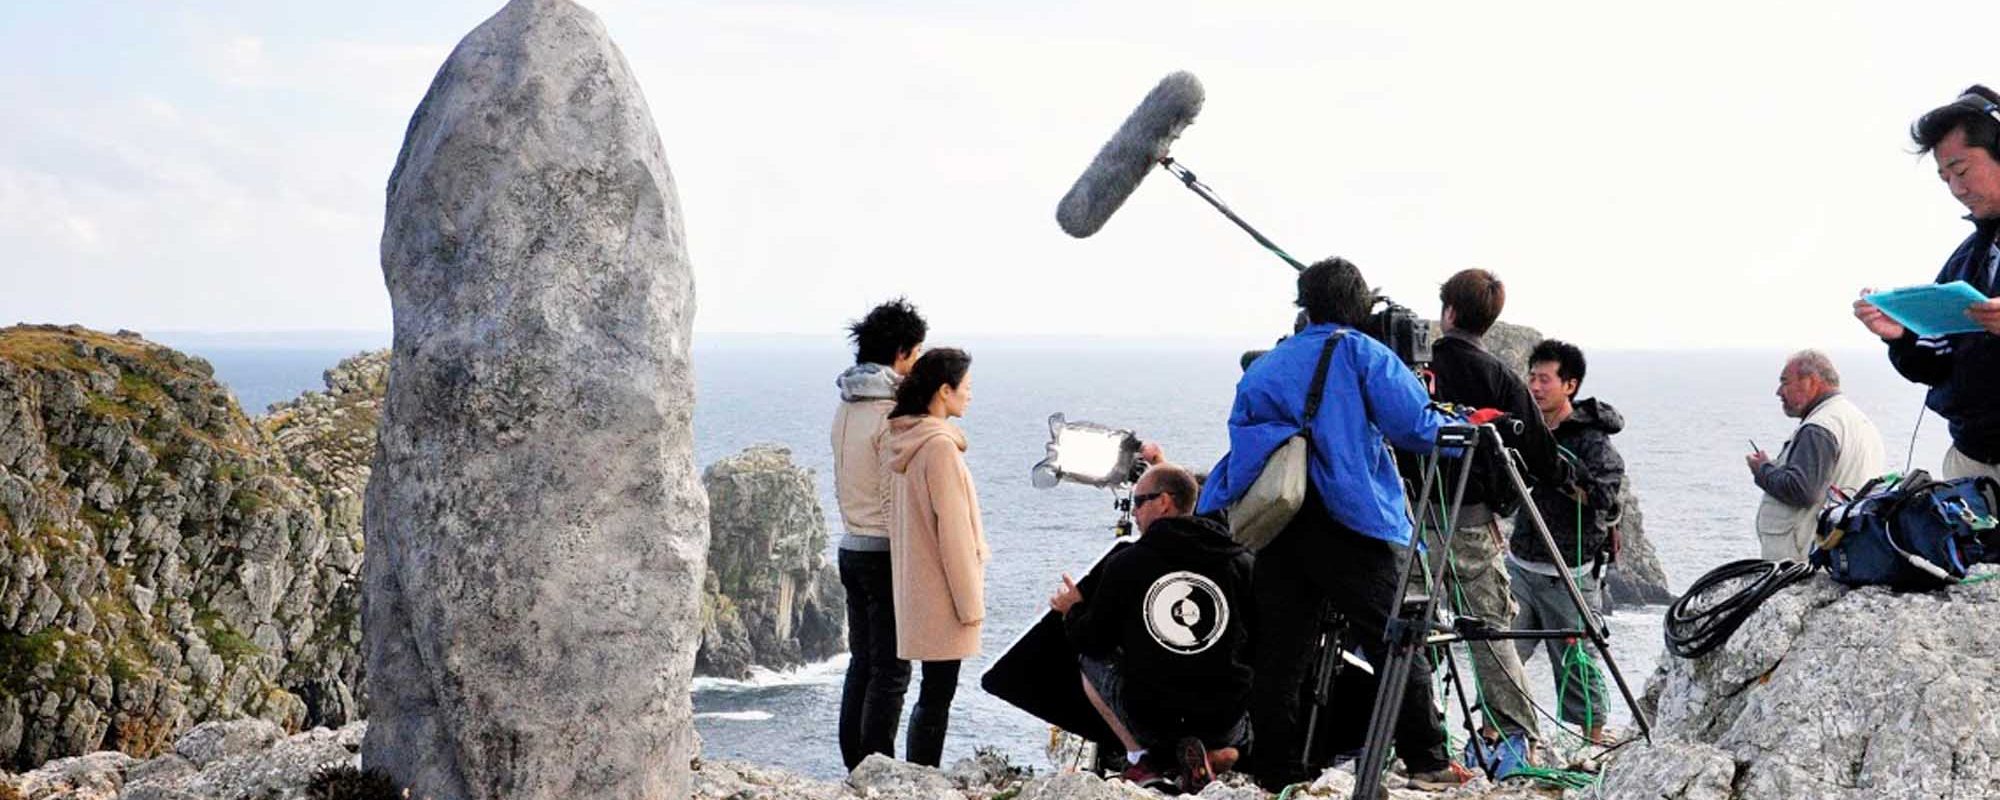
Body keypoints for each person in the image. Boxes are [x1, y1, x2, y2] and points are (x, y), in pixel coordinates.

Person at [1197, 257, 1473, 792]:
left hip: (1279, 518)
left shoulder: (1268, 364)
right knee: (1395, 638)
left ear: (1305, 304)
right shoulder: (1361, 351)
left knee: (1281, 651)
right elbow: (1415, 427)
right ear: (1358, 304)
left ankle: (1276, 767)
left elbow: (1245, 437)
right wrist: (1463, 425)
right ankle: (1428, 759)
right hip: (1349, 518)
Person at [1419, 268, 1564, 750]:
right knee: (1489, 627)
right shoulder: (1499, 377)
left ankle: (1406, 730)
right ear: (1486, 320)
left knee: (1405, 624)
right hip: (1470, 521)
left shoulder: (1412, 366)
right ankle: (1513, 734)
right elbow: (1543, 457)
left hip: (1406, 517)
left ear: (1449, 312)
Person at [1049, 463, 1254, 793]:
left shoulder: (1127, 563)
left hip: (1153, 719)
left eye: (1139, 502)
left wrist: (1073, 609)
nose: (1134, 513)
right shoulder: (1241, 561)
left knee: (1091, 663)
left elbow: (1093, 640)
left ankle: (1141, 760)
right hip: (1222, 719)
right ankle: (1218, 754)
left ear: (1164, 502)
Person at [1853, 85, 2000, 482]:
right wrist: (1901, 334)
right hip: (1972, 462)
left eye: (1963, 171)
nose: (1956, 189)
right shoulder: (1971, 257)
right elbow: (1937, 363)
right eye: (1945, 178)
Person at [1509, 340, 1620, 745]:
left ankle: (1591, 739)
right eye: (1532, 378)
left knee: (1577, 661)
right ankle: (1497, 731)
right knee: (1500, 654)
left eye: (1545, 379)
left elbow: (1606, 496)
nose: (1535, 387)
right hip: (1521, 562)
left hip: (1568, 571)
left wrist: (1560, 475)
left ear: (1569, 385)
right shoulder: (1526, 428)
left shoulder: (1592, 442)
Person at [832, 299, 927, 770]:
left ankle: (854, 762)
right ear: (901, 354)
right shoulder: (889, 413)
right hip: (882, 549)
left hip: (850, 544)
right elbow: (894, 495)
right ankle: (877, 765)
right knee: (892, 669)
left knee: (862, 662)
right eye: (916, 356)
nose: (918, 366)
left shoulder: (847, 405)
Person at [885, 347, 987, 767]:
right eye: (966, 387)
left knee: (931, 689)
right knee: (938, 692)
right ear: (944, 391)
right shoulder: (939, 448)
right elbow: (955, 534)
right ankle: (924, 775)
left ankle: (919, 773)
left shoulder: (908, 441)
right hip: (943, 589)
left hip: (917, 583)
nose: (970, 395)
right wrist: (971, 605)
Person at [1747, 351, 1886, 562]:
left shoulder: (1819, 426)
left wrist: (1763, 470)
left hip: (1802, 557)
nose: (1778, 392)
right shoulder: (1857, 420)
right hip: (1841, 550)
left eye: (1785, 382)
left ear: (1810, 381)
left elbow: (1801, 491)